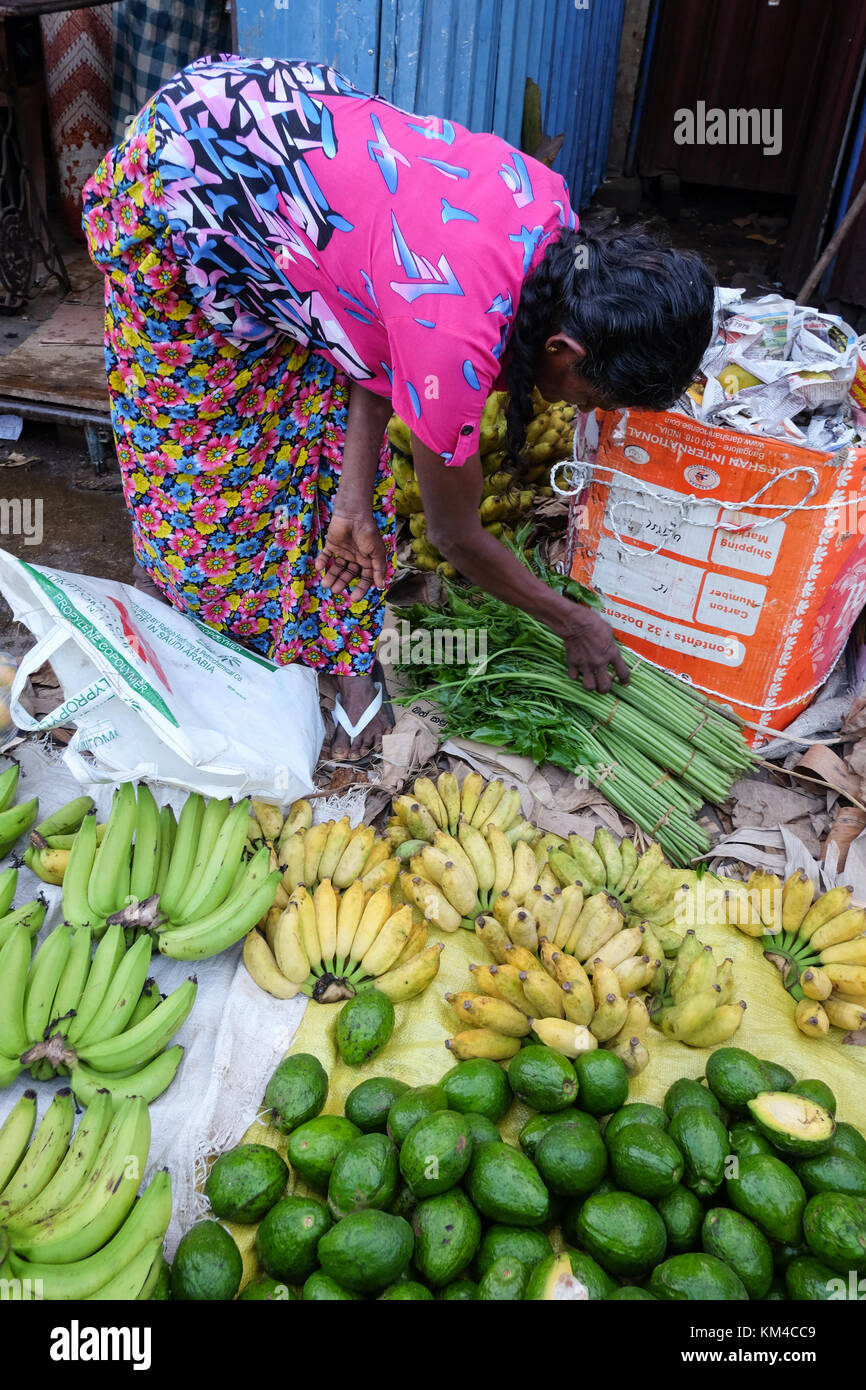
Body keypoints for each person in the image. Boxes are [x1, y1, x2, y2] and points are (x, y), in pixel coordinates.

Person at [83, 55, 715, 762]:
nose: (582, 409)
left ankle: (345, 656)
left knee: (329, 455)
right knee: (202, 462)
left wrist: (352, 499)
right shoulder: (459, 346)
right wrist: (571, 622)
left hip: (294, 175)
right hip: (191, 176)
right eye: (591, 396)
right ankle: (183, 612)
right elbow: (454, 534)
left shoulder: (553, 217)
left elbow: (381, 325)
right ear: (565, 349)